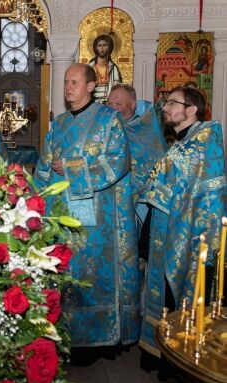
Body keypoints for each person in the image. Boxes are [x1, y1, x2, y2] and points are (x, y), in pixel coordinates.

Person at [33, 64, 140, 349]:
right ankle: (61, 335)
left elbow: (119, 161)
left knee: (88, 273)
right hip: (59, 210)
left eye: (74, 82)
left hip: (93, 212)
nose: (68, 87)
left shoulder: (108, 119)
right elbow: (44, 166)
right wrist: (33, 202)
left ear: (91, 86)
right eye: (66, 82)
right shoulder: (60, 123)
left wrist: (71, 167)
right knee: (62, 271)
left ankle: (95, 337)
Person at [138, 86, 227, 357]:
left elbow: (202, 196)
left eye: (172, 103)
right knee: (162, 291)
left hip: (186, 234)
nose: (165, 107)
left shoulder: (203, 143)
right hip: (164, 228)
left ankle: (175, 356)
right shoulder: (182, 143)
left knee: (176, 293)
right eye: (166, 102)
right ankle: (161, 352)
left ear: (191, 110)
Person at [107, 84, 166, 229]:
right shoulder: (104, 129)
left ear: (133, 105)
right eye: (109, 104)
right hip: (108, 200)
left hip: (137, 205)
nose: (112, 108)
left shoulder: (146, 133)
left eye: (118, 104)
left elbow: (149, 166)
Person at [88, 34, 122, 103]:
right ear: (95, 48)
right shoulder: (89, 67)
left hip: (109, 103)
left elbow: (117, 88)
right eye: (99, 45)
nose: (102, 48)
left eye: (105, 45)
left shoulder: (113, 68)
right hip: (92, 103)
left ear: (109, 47)